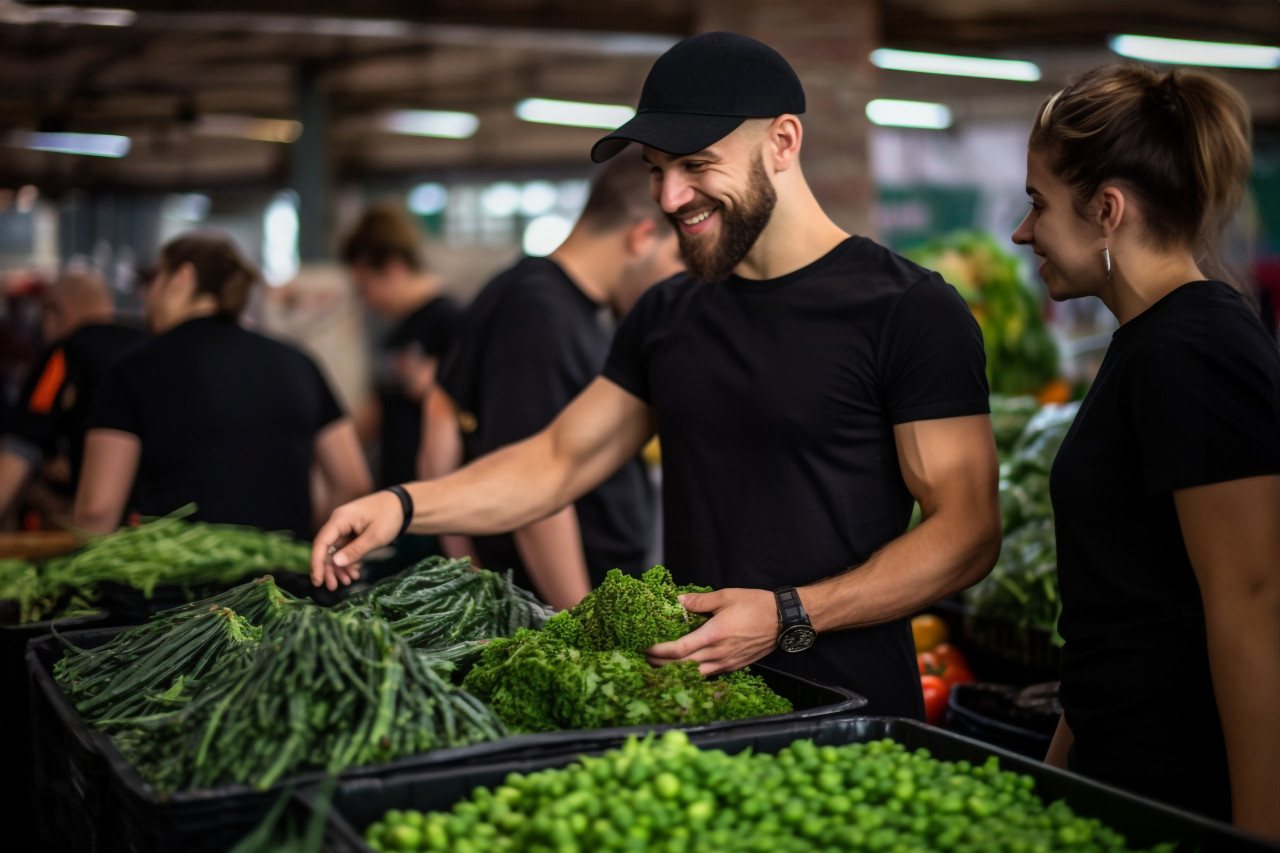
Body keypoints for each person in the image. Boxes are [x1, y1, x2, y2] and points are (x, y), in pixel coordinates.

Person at [313, 31, 1001, 718]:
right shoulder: (668, 312)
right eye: (655, 168)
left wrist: (791, 613)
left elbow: (968, 531)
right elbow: (556, 460)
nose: (669, 197)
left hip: (856, 719)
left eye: (697, 165)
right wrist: (403, 504)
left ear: (784, 142)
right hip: (694, 715)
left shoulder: (910, 310)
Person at [1011, 66, 1280, 838]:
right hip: (1116, 780)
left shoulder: (1196, 351)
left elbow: (1253, 608)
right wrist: (1056, 776)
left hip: (1177, 795)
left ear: (1107, 210)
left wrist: (1258, 831)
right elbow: (1124, 614)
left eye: (1038, 203)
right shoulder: (1146, 343)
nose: (1022, 231)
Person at [422, 157, 683, 610]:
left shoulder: (530, 292)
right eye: (679, 257)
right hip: (560, 607)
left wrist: (463, 569)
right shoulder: (542, 313)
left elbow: (439, 414)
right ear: (642, 237)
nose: (684, 279)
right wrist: (578, 620)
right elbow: (537, 486)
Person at [74, 231, 372, 539]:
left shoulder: (133, 368)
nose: (146, 296)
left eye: (156, 279)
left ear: (182, 277)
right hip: (284, 583)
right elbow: (353, 484)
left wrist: (73, 572)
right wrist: (302, 546)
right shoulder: (299, 362)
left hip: (173, 580)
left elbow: (97, 509)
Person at [0, 269, 146, 525]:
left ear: (58, 312)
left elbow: (23, 445)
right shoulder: (147, 346)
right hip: (154, 525)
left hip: (93, 527)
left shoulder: (64, 354)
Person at [342, 204, 462, 490]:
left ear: (394, 267)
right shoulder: (396, 334)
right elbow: (376, 411)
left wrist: (437, 383)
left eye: (365, 286)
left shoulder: (451, 320)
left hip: (435, 494)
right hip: (398, 493)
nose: (366, 300)